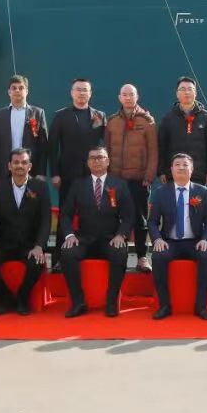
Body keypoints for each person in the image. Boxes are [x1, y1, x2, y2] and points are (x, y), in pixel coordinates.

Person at [59, 146, 134, 318]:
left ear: (108, 161)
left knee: (120, 253)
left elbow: (129, 215)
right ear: (88, 163)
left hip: (110, 238)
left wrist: (121, 235)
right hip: (84, 238)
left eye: (100, 157)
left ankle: (111, 302)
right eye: (92, 158)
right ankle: (78, 302)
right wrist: (69, 235)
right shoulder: (78, 185)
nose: (96, 161)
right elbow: (65, 214)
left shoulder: (120, 185)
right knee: (68, 253)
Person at [0, 147, 51, 315]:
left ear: (30, 166)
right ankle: (5, 298)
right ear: (9, 166)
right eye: (16, 162)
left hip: (30, 245)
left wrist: (39, 246)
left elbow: (46, 221)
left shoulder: (40, 187)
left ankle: (23, 299)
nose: (20, 166)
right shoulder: (0, 188)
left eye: (24, 162)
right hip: (5, 244)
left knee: (36, 263)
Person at [148, 153, 207, 320]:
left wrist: (206, 240)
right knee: (158, 256)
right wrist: (157, 239)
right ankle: (164, 306)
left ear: (191, 169)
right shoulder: (161, 192)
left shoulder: (202, 191)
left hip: (195, 241)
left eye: (185, 165)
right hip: (169, 242)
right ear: (171, 169)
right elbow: (152, 221)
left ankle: (201, 306)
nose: (181, 167)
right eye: (177, 164)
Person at [49, 78, 107, 265]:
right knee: (65, 214)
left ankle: (88, 253)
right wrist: (55, 173)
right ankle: (59, 258)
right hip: (67, 175)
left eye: (85, 90)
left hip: (93, 175)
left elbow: (107, 143)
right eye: (78, 89)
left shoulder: (100, 116)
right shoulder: (61, 116)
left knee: (91, 214)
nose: (82, 93)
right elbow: (52, 147)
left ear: (90, 93)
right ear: (72, 93)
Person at [104, 83, 158, 273]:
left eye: (131, 94)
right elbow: (107, 151)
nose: (128, 98)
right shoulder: (112, 121)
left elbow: (153, 151)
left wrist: (149, 176)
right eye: (124, 94)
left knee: (140, 220)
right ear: (119, 97)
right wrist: (107, 177)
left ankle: (142, 257)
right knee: (116, 218)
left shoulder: (147, 121)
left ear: (137, 96)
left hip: (139, 179)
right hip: (116, 180)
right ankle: (119, 255)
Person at [157, 77, 207, 185]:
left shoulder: (206, 117)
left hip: (198, 174)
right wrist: (161, 171)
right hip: (174, 175)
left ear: (195, 93)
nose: (187, 92)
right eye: (183, 89)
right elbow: (162, 147)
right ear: (177, 94)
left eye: (190, 89)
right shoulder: (168, 118)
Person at [0, 74, 49, 184]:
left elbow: (43, 146)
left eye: (21, 88)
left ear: (27, 91)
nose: (17, 91)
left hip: (31, 171)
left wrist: (41, 173)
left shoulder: (37, 113)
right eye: (14, 88)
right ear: (9, 92)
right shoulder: (0, 115)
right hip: (5, 172)